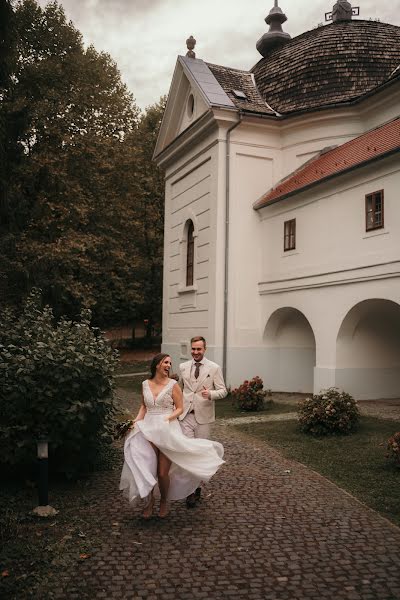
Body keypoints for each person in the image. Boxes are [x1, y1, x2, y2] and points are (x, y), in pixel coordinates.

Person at [119, 353, 224, 519]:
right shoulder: (145, 384)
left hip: (167, 428)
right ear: (156, 365)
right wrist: (134, 422)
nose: (168, 365)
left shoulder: (173, 384)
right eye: (165, 362)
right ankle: (149, 502)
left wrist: (166, 418)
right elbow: (143, 407)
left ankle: (164, 501)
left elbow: (180, 408)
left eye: (170, 363)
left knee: (162, 473)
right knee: (148, 468)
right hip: (148, 428)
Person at [179, 336, 227, 508]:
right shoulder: (183, 367)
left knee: (199, 454)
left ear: (204, 349)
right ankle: (189, 491)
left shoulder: (214, 368)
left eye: (199, 349)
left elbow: (223, 391)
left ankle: (196, 487)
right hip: (185, 417)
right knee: (187, 453)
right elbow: (179, 390)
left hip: (203, 418)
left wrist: (212, 394)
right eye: (193, 349)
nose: (195, 352)